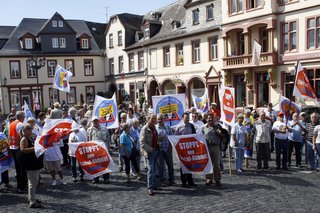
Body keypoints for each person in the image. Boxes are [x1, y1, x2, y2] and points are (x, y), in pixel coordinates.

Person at [18, 124, 44, 208]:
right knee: (32, 182)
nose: (30, 130)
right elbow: (23, 149)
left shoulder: (31, 137)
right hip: (30, 164)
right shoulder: (24, 138)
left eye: (30, 128)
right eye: (28, 129)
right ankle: (32, 202)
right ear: (24, 131)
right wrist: (35, 148)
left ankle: (31, 198)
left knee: (33, 181)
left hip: (34, 163)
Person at [175, 112, 197, 188]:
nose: (187, 119)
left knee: (190, 165)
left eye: (188, 117)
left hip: (190, 149)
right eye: (185, 117)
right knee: (183, 165)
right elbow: (175, 138)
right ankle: (183, 182)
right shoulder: (179, 127)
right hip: (182, 150)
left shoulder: (191, 126)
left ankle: (190, 181)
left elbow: (195, 136)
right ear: (182, 118)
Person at [140, 114, 159, 196]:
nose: (154, 120)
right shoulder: (144, 128)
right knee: (151, 170)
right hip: (150, 152)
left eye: (155, 119)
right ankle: (150, 188)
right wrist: (150, 149)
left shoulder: (154, 127)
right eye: (152, 119)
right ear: (148, 119)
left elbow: (155, 137)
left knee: (155, 169)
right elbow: (142, 142)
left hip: (156, 150)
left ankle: (154, 185)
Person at [87, 116, 111, 184]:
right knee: (95, 165)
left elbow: (108, 138)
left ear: (99, 121)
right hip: (94, 151)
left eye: (96, 121)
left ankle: (106, 178)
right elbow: (88, 141)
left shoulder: (104, 129)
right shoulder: (89, 130)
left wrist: (108, 149)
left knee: (105, 165)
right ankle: (95, 178)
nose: (95, 122)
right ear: (92, 122)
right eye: (94, 121)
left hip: (103, 150)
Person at [8, 111, 27, 193]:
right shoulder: (20, 124)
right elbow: (23, 136)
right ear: (22, 117)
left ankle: (21, 186)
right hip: (18, 148)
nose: (24, 118)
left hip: (12, 146)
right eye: (24, 116)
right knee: (21, 169)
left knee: (18, 168)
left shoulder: (11, 123)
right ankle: (21, 186)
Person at [203, 113, 222, 185]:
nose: (210, 119)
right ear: (206, 119)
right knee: (208, 164)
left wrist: (220, 133)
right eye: (209, 118)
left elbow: (224, 135)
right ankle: (209, 179)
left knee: (216, 164)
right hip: (207, 147)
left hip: (216, 147)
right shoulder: (203, 127)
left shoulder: (218, 126)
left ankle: (217, 179)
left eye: (211, 118)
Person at [156, 113, 175, 186]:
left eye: (161, 119)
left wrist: (171, 146)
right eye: (158, 119)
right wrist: (158, 139)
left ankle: (171, 179)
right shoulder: (155, 128)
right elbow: (153, 139)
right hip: (160, 149)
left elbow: (172, 136)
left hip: (168, 148)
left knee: (170, 165)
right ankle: (163, 180)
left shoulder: (167, 127)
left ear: (163, 119)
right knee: (161, 166)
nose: (160, 120)